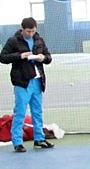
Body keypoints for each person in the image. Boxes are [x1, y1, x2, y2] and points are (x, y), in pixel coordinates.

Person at [1, 17, 54, 153]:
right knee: (20, 112)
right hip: (22, 82)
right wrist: (20, 56)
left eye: (33, 31)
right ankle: (17, 142)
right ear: (22, 29)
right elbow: (3, 57)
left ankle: (39, 139)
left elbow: (48, 57)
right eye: (28, 31)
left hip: (37, 81)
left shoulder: (39, 40)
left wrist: (43, 58)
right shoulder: (13, 41)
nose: (31, 34)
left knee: (37, 111)